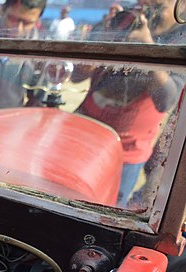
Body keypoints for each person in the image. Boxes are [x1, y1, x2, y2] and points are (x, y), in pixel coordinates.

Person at [74, 0, 186, 207]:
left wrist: (147, 47)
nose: (143, 5)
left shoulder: (181, 38)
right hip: (84, 137)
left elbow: (167, 100)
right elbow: (77, 76)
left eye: (155, 5)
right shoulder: (122, 19)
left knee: (106, 214)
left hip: (126, 153)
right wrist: (103, 38)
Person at [0, 0, 46, 110]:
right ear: (3, 9)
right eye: (13, 19)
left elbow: (39, 97)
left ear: (37, 20)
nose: (18, 28)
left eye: (27, 23)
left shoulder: (39, 49)